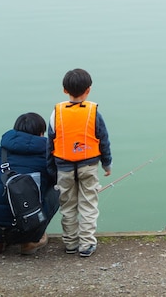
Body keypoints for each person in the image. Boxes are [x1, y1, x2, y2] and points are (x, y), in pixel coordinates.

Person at [0, 112, 59, 256]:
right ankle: (29, 243)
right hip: (28, 230)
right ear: (41, 133)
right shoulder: (47, 157)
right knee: (58, 189)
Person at [49, 68, 113, 258]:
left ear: (64, 90)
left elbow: (49, 144)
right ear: (89, 90)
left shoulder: (56, 114)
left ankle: (70, 243)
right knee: (88, 204)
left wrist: (51, 169)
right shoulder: (94, 114)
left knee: (67, 206)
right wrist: (107, 164)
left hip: (63, 167)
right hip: (89, 166)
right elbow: (104, 141)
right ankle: (86, 244)